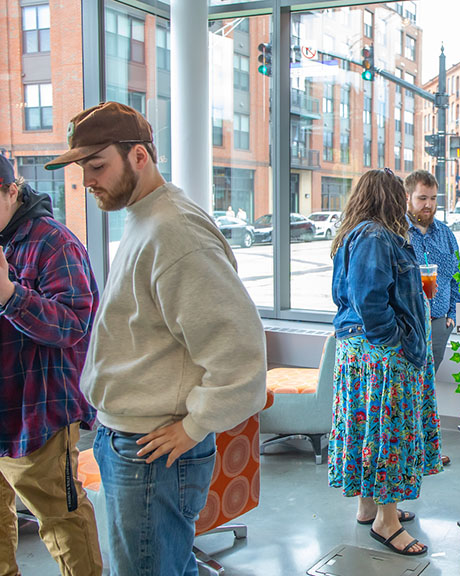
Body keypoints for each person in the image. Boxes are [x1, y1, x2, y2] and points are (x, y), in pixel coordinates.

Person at [45, 101, 267, 575]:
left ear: (140, 156)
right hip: (128, 441)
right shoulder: (146, 216)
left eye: (97, 165)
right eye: (83, 168)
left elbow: (240, 355)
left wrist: (193, 427)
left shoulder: (175, 232)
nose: (87, 180)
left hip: (151, 450)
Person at [329, 168, 442, 557]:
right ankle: (386, 521)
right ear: (391, 198)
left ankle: (367, 507)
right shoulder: (376, 236)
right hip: (380, 356)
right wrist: (394, 340)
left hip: (362, 353)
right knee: (389, 434)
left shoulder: (358, 233)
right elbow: (370, 300)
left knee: (367, 430)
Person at [0, 156, 103, 576]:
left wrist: (8, 294)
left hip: (36, 412)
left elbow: (74, 326)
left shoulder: (54, 242)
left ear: (12, 190)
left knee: (62, 522)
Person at [405, 171, 459, 467]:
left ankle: (428, 450)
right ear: (408, 198)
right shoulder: (397, 233)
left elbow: (456, 277)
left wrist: (452, 313)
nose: (428, 204)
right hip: (409, 323)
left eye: (433, 198)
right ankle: (407, 449)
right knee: (408, 387)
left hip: (439, 323)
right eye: (422, 198)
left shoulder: (446, 234)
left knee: (427, 387)